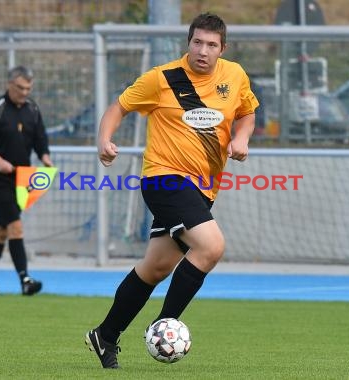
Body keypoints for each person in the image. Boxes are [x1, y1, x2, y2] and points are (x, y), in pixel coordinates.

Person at [85, 13, 259, 368]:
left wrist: (241, 138)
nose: (203, 51)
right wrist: (104, 140)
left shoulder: (235, 75)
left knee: (157, 267)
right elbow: (118, 107)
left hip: (202, 189)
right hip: (164, 179)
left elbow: (247, 112)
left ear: (222, 49)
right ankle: (165, 324)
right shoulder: (163, 79)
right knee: (211, 246)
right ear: (188, 43)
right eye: (197, 42)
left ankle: (105, 334)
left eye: (211, 45)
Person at [0, 65, 53, 296]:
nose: (25, 92)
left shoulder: (33, 109)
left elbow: (40, 138)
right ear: (10, 84)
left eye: (28, 88)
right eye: (20, 87)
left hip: (22, 179)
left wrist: (45, 156)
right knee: (15, 226)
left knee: (0, 230)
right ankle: (25, 280)